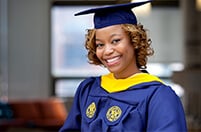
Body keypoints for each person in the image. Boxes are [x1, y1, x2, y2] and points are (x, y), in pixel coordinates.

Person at [59, 0, 187, 131]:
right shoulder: (88, 90)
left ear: (134, 41)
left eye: (115, 41)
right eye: (100, 45)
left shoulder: (158, 96)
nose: (107, 51)